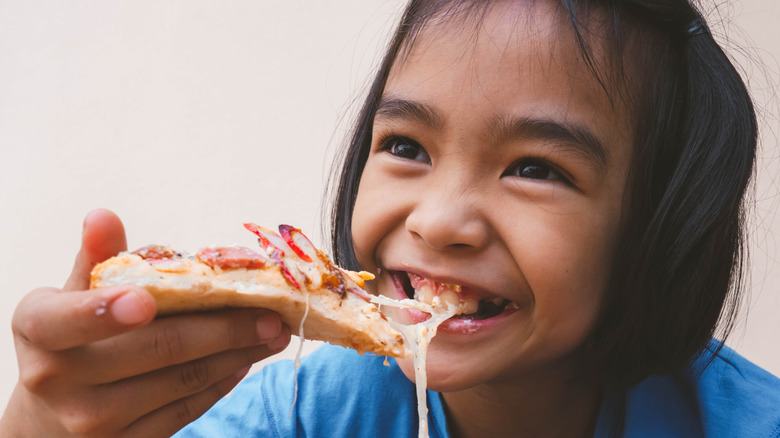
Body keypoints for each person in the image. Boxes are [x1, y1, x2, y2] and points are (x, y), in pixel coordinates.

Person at [2, 0, 779, 437]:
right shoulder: (308, 411)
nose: (439, 223)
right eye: (407, 145)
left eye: (535, 168)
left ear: (661, 231)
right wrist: (40, 423)